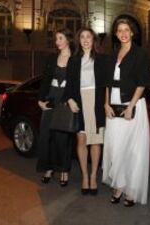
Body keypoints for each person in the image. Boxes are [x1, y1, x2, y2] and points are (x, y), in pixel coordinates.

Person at [102, 18, 150, 207]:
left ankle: (130, 190)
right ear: (116, 34)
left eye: (127, 30)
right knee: (115, 148)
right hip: (113, 105)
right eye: (120, 30)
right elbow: (107, 82)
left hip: (132, 105)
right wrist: (106, 104)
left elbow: (142, 82)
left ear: (132, 33)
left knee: (131, 149)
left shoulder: (140, 54)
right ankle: (119, 185)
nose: (123, 33)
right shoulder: (113, 54)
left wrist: (131, 106)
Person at [65, 28, 107, 195]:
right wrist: (69, 99)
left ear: (93, 39)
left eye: (88, 36)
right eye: (82, 36)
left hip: (96, 103)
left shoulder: (102, 60)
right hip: (79, 101)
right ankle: (84, 176)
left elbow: (106, 86)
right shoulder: (73, 61)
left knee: (95, 142)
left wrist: (106, 103)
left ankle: (94, 176)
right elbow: (68, 84)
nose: (85, 39)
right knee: (81, 141)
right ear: (78, 40)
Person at [36, 28, 75, 187]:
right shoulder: (52, 58)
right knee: (48, 136)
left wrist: (71, 100)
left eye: (60, 38)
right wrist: (40, 99)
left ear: (68, 40)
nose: (57, 41)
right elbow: (45, 80)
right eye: (56, 39)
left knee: (63, 138)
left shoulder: (76, 59)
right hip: (51, 98)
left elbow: (76, 84)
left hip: (66, 101)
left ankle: (64, 170)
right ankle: (49, 169)